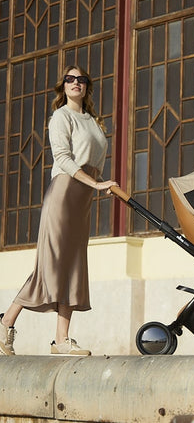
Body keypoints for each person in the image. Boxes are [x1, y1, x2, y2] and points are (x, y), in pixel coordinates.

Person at [0, 65, 118, 356]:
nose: (76, 83)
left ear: (87, 86)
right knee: (51, 265)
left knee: (74, 266)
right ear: (63, 86)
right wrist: (96, 183)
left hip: (83, 197)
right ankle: (6, 324)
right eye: (70, 79)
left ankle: (61, 340)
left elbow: (93, 161)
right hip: (64, 193)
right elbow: (64, 160)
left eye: (81, 79)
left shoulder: (93, 121)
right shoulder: (61, 117)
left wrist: (100, 184)